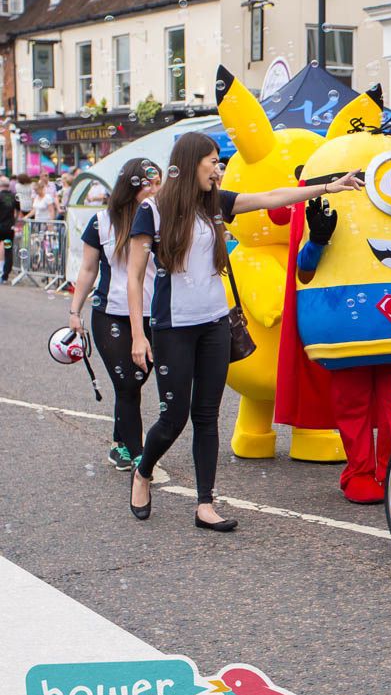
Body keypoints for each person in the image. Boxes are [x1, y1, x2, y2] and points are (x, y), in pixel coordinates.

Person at [126, 132, 362, 530]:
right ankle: (144, 471)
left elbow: (272, 196)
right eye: (212, 160)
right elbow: (134, 278)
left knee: (207, 415)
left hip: (216, 324)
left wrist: (329, 186)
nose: (218, 168)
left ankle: (205, 504)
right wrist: (137, 334)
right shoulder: (152, 210)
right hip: (172, 329)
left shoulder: (215, 204)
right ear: (190, 161)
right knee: (173, 418)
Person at [67, 158, 161, 471]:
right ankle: (138, 456)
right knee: (128, 384)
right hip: (110, 314)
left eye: (158, 182)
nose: (155, 189)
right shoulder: (101, 222)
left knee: (137, 379)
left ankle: (119, 444)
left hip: (153, 314)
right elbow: (88, 269)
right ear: (131, 185)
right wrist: (74, 311)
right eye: (149, 182)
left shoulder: (162, 219)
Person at [0, 176, 18, 283]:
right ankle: (5, 274)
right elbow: (18, 210)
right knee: (8, 249)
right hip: (9, 228)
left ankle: (1, 270)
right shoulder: (13, 196)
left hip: (0, 226)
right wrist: (14, 221)